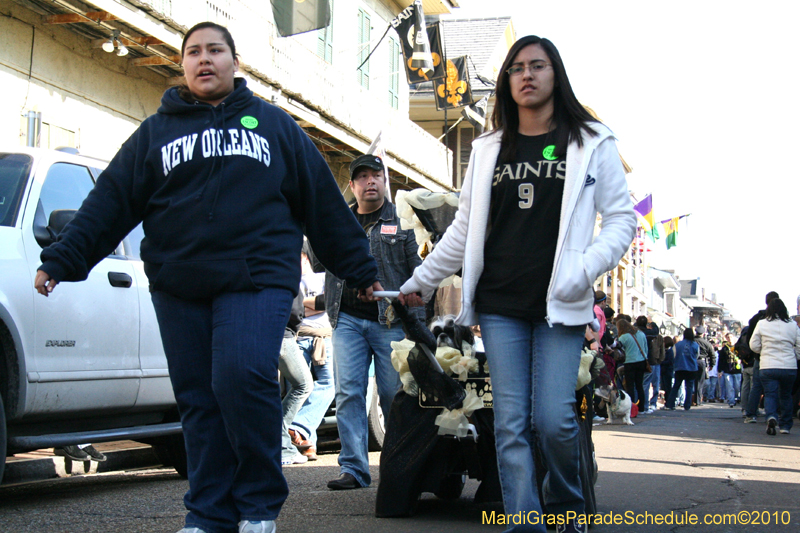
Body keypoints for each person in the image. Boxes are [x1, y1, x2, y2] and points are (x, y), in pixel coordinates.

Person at [34, 22, 383, 533]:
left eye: (215, 50)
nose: (203, 59)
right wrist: (62, 259)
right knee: (198, 397)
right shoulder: (156, 133)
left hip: (256, 278)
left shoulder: (273, 127)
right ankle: (209, 512)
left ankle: (259, 504)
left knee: (241, 377)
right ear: (183, 65)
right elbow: (109, 201)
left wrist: (361, 270)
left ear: (234, 62)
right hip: (179, 283)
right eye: (192, 52)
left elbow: (324, 205)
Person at [399, 35, 636, 533]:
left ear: (556, 75)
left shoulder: (592, 141)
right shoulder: (487, 148)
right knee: (509, 424)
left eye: (538, 66)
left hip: (560, 301)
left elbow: (620, 220)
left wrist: (584, 268)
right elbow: (464, 230)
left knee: (554, 421)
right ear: (507, 81)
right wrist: (421, 279)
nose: (527, 75)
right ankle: (523, 523)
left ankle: (570, 511)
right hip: (501, 301)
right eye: (517, 68)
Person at [323, 153, 425, 491]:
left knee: (392, 395)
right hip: (347, 319)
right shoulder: (338, 223)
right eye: (362, 177)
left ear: (385, 182)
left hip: (390, 322)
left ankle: (396, 467)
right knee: (348, 393)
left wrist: (419, 327)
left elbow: (419, 278)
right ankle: (353, 468)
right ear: (352, 185)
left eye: (376, 175)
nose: (370, 181)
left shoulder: (404, 222)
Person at [288, 244, 335, 461]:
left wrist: (302, 303)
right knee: (300, 389)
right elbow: (292, 309)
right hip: (298, 338)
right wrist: (313, 305)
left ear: (305, 257)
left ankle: (299, 427)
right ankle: (308, 444)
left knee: (328, 385)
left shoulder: (322, 278)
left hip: (323, 339)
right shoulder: (289, 281)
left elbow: (328, 303)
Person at [749, 297, 800, 435]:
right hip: (789, 366)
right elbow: (799, 345)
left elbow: (754, 345)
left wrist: (763, 351)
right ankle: (785, 426)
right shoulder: (792, 325)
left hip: (768, 365)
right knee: (786, 395)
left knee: (770, 394)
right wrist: (795, 356)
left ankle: (771, 416)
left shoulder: (762, 323)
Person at [279, 292, 313, 466]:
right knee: (304, 385)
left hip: (258, 333)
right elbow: (295, 309)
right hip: (282, 334)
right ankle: (283, 446)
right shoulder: (286, 268)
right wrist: (296, 323)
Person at [744, 291, 780, 422]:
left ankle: (751, 414)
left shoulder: (757, 319)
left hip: (761, 357)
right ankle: (776, 413)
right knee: (778, 388)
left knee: (757, 386)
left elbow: (750, 341)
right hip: (779, 358)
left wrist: (758, 352)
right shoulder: (783, 320)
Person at [617, 319, 649, 413]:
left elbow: (618, 348)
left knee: (630, 386)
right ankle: (641, 408)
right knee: (639, 385)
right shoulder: (641, 334)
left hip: (630, 362)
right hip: (642, 361)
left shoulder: (624, 337)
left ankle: (631, 407)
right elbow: (646, 348)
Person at [665, 328, 699, 410]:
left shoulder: (677, 345)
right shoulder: (695, 345)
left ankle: (670, 404)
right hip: (691, 368)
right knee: (689, 387)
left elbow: (674, 355)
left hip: (679, 367)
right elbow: (697, 356)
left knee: (676, 386)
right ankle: (687, 405)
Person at [718, 334, 741, 407]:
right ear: (726, 339)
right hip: (727, 370)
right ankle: (731, 401)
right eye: (728, 337)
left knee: (737, 386)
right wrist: (720, 370)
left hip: (737, 370)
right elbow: (721, 360)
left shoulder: (738, 347)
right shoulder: (725, 349)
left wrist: (740, 360)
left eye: (731, 337)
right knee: (729, 386)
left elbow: (743, 355)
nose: (730, 339)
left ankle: (737, 398)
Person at [660, 336, 675, 408]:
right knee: (666, 388)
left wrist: (661, 362)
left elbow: (669, 361)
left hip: (667, 371)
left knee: (668, 387)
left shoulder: (670, 351)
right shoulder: (667, 350)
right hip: (665, 371)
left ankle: (669, 403)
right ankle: (667, 403)